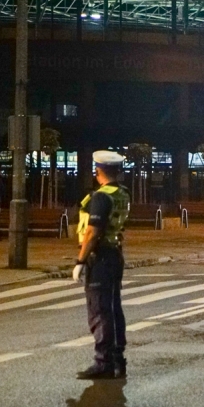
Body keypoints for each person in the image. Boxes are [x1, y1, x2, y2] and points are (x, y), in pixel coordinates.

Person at [73, 151, 131, 380]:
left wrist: (80, 260)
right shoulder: (123, 194)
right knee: (114, 308)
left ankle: (103, 361)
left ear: (98, 172)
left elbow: (93, 232)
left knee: (99, 310)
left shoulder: (100, 197)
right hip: (115, 254)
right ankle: (118, 360)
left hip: (100, 257)